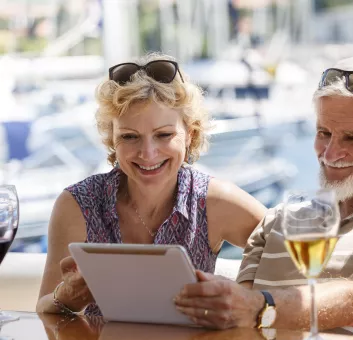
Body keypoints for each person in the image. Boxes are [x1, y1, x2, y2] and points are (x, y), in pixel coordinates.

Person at [173, 55, 353, 340]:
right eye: (324, 133)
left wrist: (260, 308)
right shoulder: (276, 220)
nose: (331, 154)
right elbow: (237, 325)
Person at [36, 53, 266, 316]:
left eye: (164, 135)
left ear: (189, 134)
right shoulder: (76, 204)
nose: (148, 153)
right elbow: (44, 308)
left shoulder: (212, 200)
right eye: (130, 136)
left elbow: (288, 252)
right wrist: (66, 297)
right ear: (112, 139)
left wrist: (248, 293)